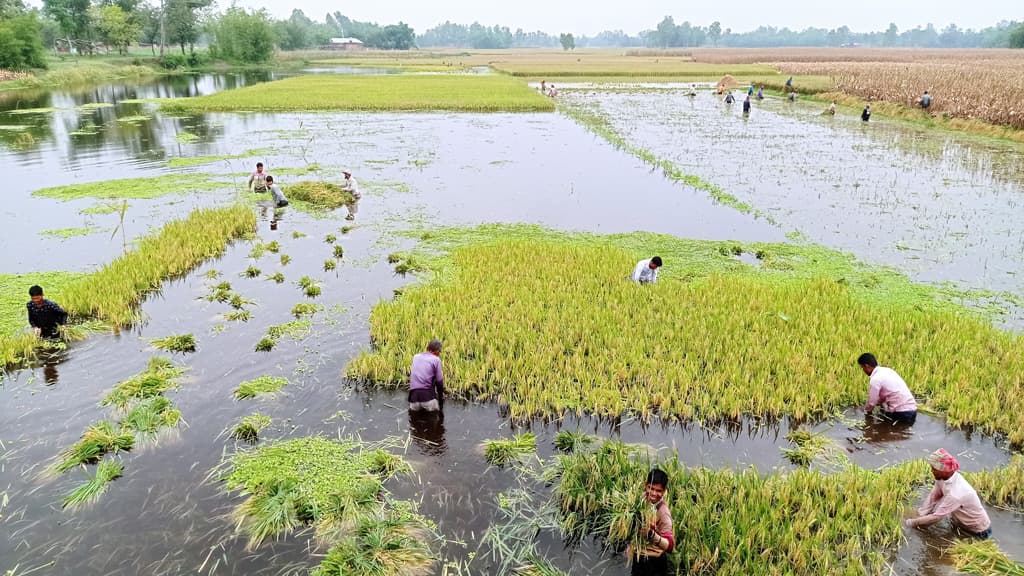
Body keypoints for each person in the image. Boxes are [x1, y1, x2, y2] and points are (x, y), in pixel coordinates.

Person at [905, 448, 992, 539]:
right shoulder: (942, 478)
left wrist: (910, 523)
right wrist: (920, 513)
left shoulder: (957, 492)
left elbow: (937, 517)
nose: (932, 471)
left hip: (978, 531)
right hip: (959, 523)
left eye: (934, 468)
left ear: (943, 470)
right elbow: (933, 497)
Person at [628, 468, 675, 576]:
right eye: (651, 488)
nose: (654, 494)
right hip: (639, 556)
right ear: (646, 486)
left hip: (655, 562)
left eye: (658, 491)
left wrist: (651, 534)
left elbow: (670, 546)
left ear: (664, 491)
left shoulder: (663, 513)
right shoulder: (640, 501)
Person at [858, 353, 918, 425]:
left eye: (862, 368)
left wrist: (866, 412)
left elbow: (872, 402)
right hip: (913, 409)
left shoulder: (875, 379)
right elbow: (886, 394)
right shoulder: (888, 371)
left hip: (901, 413)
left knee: (887, 432)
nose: (863, 370)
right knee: (904, 432)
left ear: (867, 366)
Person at [409, 339, 445, 412]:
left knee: (415, 421)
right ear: (437, 351)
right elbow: (439, 382)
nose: (439, 353)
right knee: (435, 420)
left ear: (427, 348)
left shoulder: (416, 357)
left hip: (413, 399)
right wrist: (440, 400)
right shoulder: (436, 359)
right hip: (428, 399)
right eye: (439, 351)